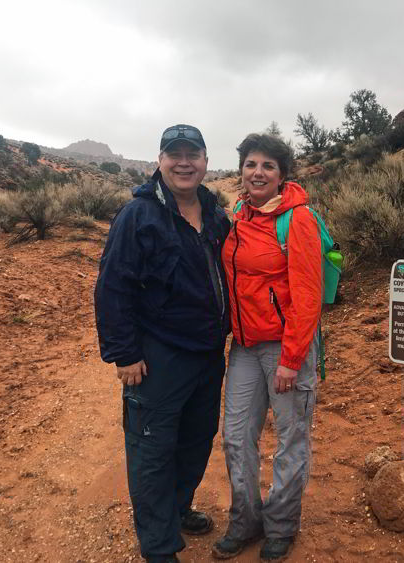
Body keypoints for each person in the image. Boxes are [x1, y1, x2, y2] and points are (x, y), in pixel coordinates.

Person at [94, 124, 231, 563]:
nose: (184, 162)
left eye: (193, 154)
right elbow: (113, 286)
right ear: (160, 160)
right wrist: (125, 352)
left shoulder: (214, 212)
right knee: (151, 447)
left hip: (207, 353)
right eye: (175, 154)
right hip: (158, 354)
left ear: (206, 161)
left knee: (195, 439)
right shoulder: (138, 215)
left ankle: (176, 508)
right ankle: (157, 545)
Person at [213, 133, 323, 561]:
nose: (258, 173)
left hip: (286, 348)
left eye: (268, 166)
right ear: (241, 170)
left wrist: (292, 360)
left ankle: (280, 526)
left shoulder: (298, 219)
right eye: (251, 164)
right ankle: (245, 520)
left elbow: (308, 295)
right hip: (243, 345)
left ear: (282, 175)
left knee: (291, 438)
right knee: (237, 436)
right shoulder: (240, 213)